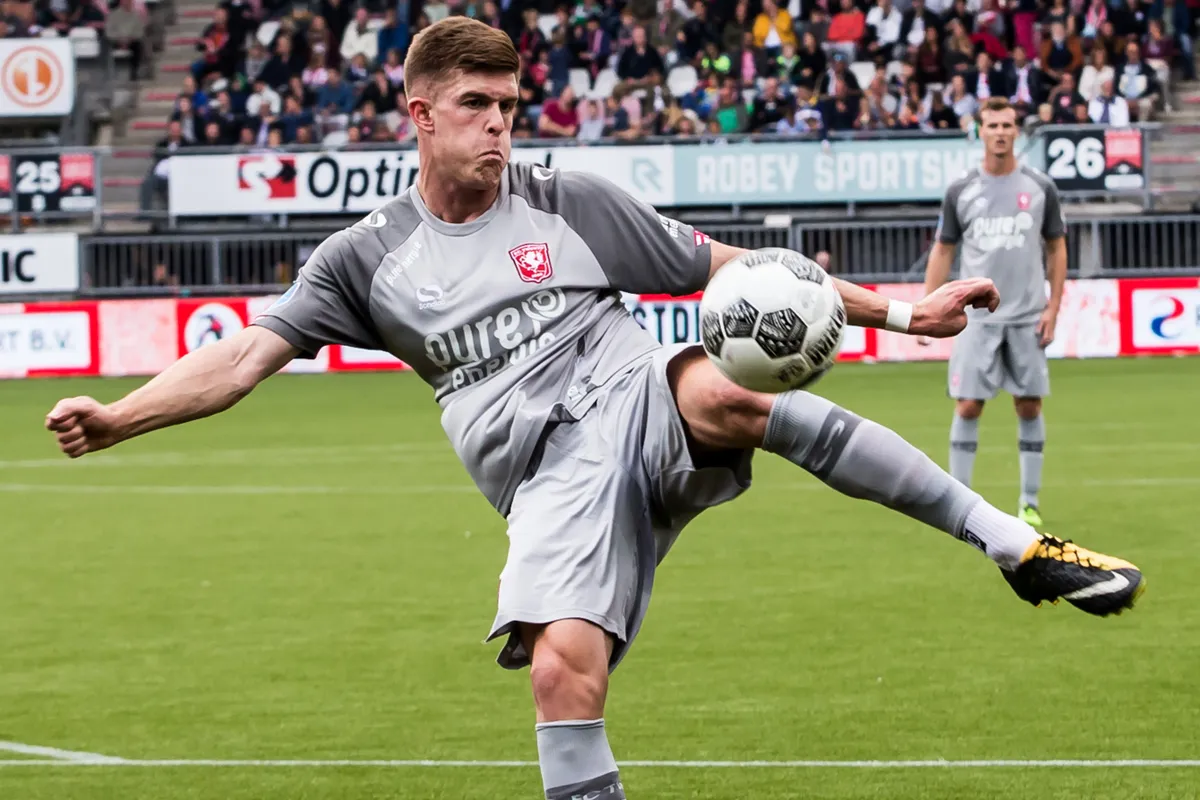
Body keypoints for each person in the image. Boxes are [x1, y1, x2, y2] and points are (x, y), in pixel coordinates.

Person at [46, 19, 1144, 800]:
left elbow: (741, 272)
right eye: (476, 107)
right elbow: (244, 357)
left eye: (509, 108)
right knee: (563, 674)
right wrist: (121, 416)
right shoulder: (363, 260)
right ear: (419, 114)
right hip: (543, 478)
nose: (499, 128)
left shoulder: (569, 201)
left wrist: (904, 313)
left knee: (725, 386)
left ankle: (1014, 543)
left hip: (630, 390)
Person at [922, 96, 1067, 529]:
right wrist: (926, 307)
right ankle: (958, 503)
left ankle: (1029, 503)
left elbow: (1056, 247)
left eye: (1007, 125)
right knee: (968, 405)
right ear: (980, 132)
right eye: (992, 126)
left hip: (1027, 315)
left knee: (1029, 404)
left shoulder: (1040, 187)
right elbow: (943, 250)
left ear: (1016, 131)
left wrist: (1053, 307)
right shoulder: (961, 189)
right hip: (976, 318)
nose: (1000, 133)